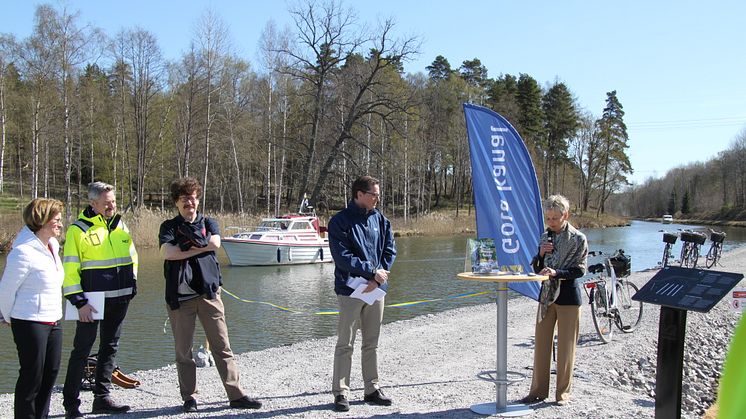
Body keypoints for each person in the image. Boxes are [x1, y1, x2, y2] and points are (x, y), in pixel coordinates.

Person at [158, 177, 261, 413]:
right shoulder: (168, 227)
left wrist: (186, 247)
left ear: (198, 199)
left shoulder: (209, 222)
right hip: (179, 299)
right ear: (176, 202)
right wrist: (197, 247)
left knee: (222, 346)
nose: (189, 203)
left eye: (193, 198)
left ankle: (236, 395)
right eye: (184, 199)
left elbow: (215, 243)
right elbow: (167, 252)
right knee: (184, 352)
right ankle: (190, 397)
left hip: (209, 295)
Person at [62, 181, 138, 418]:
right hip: (90, 302)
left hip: (119, 298)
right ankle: (71, 404)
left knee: (109, 348)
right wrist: (78, 301)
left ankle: (102, 398)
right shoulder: (78, 230)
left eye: (113, 202)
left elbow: (132, 257)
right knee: (82, 350)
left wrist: (132, 285)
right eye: (106, 203)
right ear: (93, 203)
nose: (111, 206)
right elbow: (70, 270)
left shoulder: (120, 226)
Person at [328, 175, 397, 412]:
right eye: (374, 194)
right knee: (345, 343)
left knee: (372, 342)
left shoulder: (381, 220)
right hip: (350, 290)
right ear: (359, 194)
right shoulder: (339, 221)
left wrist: (380, 278)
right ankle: (341, 392)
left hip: (376, 290)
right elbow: (342, 256)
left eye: (377, 194)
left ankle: (372, 388)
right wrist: (371, 272)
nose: (378, 198)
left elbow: (390, 250)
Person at [519, 194, 588, 407]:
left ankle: (563, 394)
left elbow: (580, 270)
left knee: (566, 348)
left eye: (555, 218)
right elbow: (537, 267)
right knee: (541, 345)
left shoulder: (578, 238)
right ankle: (538, 391)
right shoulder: (544, 236)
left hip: (568, 298)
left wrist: (556, 272)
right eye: (548, 218)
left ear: (565, 215)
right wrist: (540, 254)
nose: (551, 222)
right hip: (546, 297)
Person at [0, 198, 64, 419]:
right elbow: (5, 292)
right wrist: (9, 318)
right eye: (56, 220)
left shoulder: (53, 246)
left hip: (53, 320)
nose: (60, 224)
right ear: (42, 220)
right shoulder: (23, 252)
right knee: (32, 377)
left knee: (50, 374)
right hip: (29, 322)